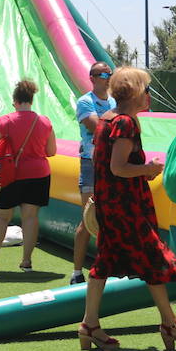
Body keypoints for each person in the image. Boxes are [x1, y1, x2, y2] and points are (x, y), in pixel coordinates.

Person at [79, 67, 176, 351]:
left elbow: (104, 162)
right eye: (147, 90)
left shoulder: (106, 119)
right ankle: (171, 323)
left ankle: (89, 325)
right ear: (137, 93)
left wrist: (141, 170)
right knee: (152, 257)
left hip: (111, 206)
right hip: (126, 207)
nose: (150, 95)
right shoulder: (127, 123)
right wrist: (148, 169)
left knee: (104, 262)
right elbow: (119, 167)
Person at [0, 80, 55, 272]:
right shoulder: (44, 122)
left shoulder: (4, 121)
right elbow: (51, 151)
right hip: (39, 174)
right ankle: (26, 261)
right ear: (31, 99)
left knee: (1, 216)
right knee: (30, 217)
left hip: (11, 175)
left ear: (15, 100)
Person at [70, 61, 116, 285]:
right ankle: (77, 272)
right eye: (104, 74)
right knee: (88, 219)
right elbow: (96, 127)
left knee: (109, 219)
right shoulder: (85, 101)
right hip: (91, 164)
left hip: (109, 164)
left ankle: (106, 268)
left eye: (110, 73)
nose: (108, 77)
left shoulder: (114, 101)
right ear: (92, 77)